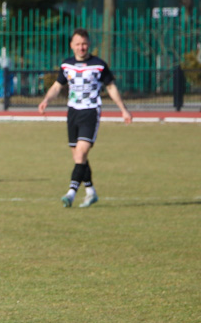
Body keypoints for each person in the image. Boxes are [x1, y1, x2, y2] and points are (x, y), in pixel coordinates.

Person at [38, 28, 132, 208]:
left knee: (81, 153)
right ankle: (91, 191)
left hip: (90, 112)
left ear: (89, 45)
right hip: (73, 112)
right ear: (72, 46)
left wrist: (123, 110)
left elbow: (111, 88)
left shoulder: (99, 65)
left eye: (85, 44)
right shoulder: (66, 65)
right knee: (78, 157)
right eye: (78, 44)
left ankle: (71, 193)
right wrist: (46, 100)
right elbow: (58, 86)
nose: (82, 48)